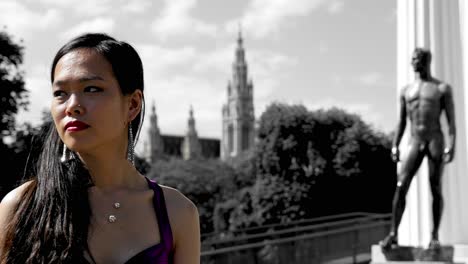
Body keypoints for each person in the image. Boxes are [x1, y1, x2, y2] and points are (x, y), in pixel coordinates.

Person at [0, 33, 200, 263]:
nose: (72, 106)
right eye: (60, 93)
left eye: (92, 89)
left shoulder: (177, 212)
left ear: (133, 104)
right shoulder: (20, 206)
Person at [380, 48, 456, 250]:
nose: (413, 62)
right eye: (412, 59)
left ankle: (434, 236)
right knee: (401, 185)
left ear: (425, 61)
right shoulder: (407, 90)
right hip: (415, 139)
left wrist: (452, 143)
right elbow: (402, 121)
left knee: (435, 187)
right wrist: (395, 144)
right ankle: (393, 233)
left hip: (434, 138)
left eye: (416, 59)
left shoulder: (441, 89)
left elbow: (451, 120)